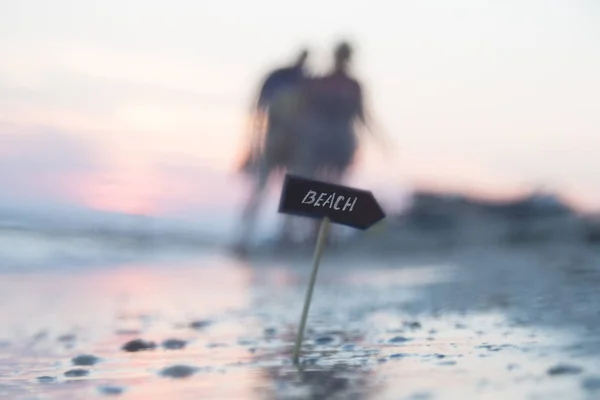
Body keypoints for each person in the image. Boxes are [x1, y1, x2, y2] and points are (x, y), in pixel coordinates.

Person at [292, 41, 388, 244]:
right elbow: (303, 109)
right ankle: (315, 234)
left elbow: (362, 114)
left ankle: (324, 234)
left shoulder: (353, 85)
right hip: (319, 138)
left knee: (334, 187)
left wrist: (380, 139)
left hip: (339, 139)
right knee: (318, 187)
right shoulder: (320, 81)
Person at [234, 48, 310, 254]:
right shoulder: (283, 78)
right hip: (276, 140)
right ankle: (244, 239)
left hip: (290, 143)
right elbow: (259, 109)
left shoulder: (298, 80)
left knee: (286, 192)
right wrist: (255, 143)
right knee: (264, 190)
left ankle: (279, 238)